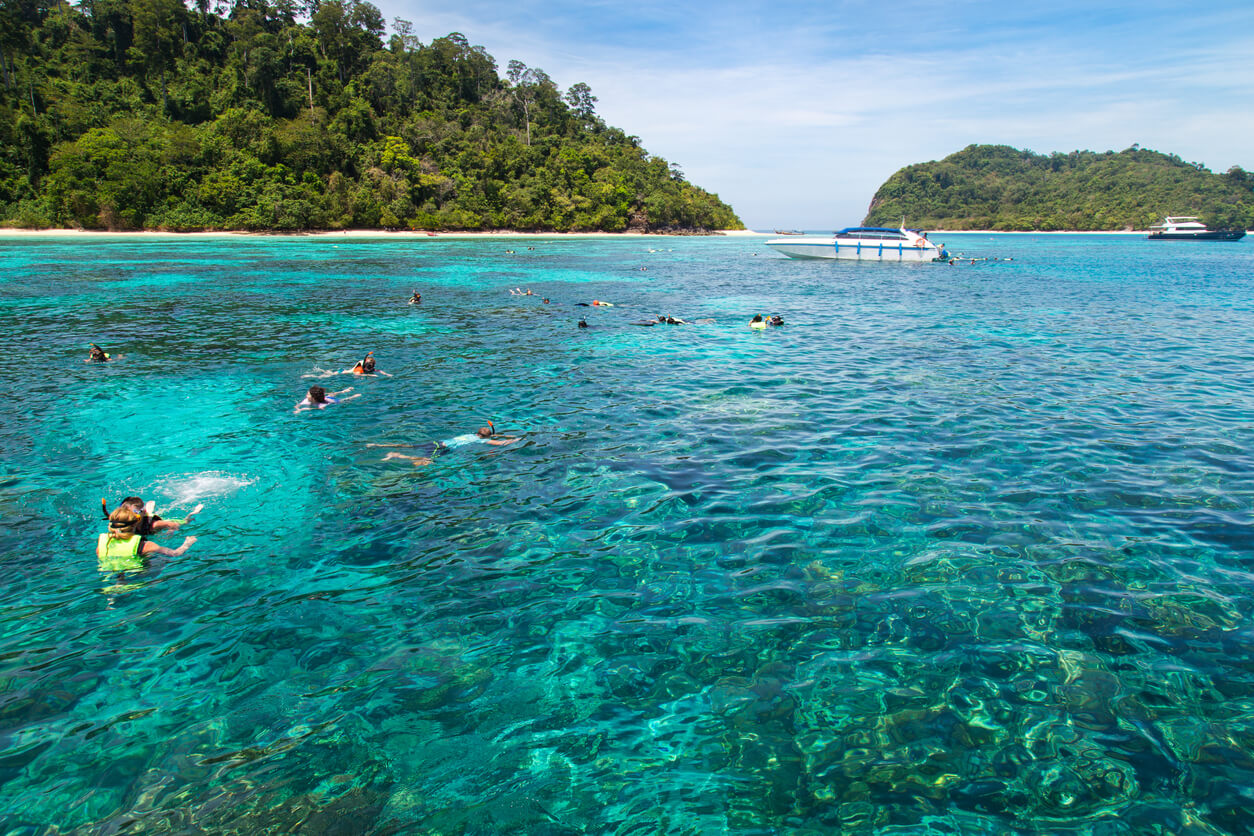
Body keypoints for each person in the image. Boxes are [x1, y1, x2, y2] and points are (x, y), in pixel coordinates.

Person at [378, 422, 520, 466]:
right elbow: (501, 444)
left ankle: (379, 446)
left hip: (437, 442)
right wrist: (516, 440)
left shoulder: (472, 435)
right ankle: (395, 455)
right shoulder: (480, 440)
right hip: (442, 448)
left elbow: (490, 436)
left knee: (410, 446)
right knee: (425, 462)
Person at [97, 505, 197, 566]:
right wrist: (187, 543)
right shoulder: (146, 545)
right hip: (140, 577)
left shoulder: (102, 543)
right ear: (134, 524)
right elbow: (175, 554)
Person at [103, 496, 203, 536]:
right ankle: (149, 511)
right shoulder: (123, 522)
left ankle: (193, 512)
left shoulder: (155, 525)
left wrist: (167, 535)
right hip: (145, 515)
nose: (130, 517)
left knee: (185, 521)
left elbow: (174, 525)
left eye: (134, 513)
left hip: (154, 522)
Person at [295, 385, 359, 413]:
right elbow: (298, 405)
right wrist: (297, 409)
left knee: (342, 400)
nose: (306, 395)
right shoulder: (306, 400)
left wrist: (303, 409)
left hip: (330, 401)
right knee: (330, 394)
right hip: (325, 397)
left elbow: (320, 408)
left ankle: (353, 396)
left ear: (313, 397)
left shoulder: (321, 405)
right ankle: (344, 391)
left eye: (308, 394)